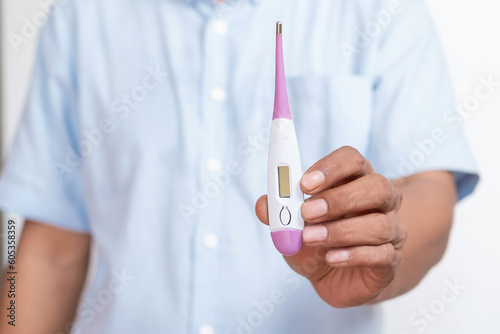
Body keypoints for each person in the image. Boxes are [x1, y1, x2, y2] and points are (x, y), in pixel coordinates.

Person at [0, 0, 479, 333]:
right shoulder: (81, 17)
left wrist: (379, 244)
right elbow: (48, 251)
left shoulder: (382, 9)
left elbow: (428, 190)